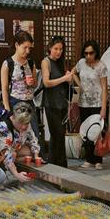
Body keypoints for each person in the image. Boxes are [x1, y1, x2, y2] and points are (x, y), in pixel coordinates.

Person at [73, 39, 108, 170]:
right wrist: (80, 85)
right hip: (83, 103)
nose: (88, 56)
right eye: (86, 53)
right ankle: (89, 159)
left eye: (91, 53)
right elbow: (73, 72)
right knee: (86, 132)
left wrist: (103, 108)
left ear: (96, 52)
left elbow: (104, 88)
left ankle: (98, 160)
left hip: (97, 103)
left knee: (97, 132)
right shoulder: (81, 63)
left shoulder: (101, 66)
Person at [41, 35, 72, 168]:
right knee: (56, 134)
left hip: (62, 103)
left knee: (60, 136)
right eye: (56, 49)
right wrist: (64, 78)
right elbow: (46, 82)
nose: (58, 52)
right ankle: (57, 164)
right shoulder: (46, 61)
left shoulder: (61, 62)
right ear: (50, 48)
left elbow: (65, 83)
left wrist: (69, 78)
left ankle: (57, 164)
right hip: (51, 103)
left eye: (61, 49)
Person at [0, 30, 39, 134]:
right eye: (25, 47)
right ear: (17, 45)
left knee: (34, 133)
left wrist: (32, 83)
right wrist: (8, 110)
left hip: (29, 102)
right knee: (17, 133)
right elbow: (4, 89)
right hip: (15, 102)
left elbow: (35, 84)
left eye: (29, 48)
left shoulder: (31, 63)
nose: (27, 51)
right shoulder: (8, 63)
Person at [0, 102, 40, 184]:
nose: (24, 127)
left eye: (26, 123)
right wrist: (16, 174)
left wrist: (36, 155)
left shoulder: (26, 123)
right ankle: (6, 172)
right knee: (12, 154)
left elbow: (33, 139)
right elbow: (6, 152)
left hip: (15, 147)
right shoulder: (3, 126)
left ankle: (16, 167)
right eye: (20, 123)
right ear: (13, 118)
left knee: (28, 152)